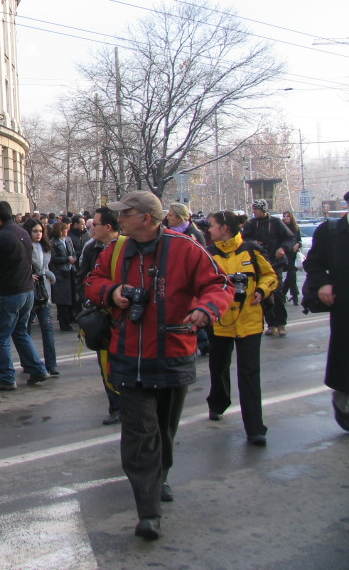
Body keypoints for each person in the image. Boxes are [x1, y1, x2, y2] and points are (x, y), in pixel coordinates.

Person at [85, 191, 233, 541]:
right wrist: (113, 292)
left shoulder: (186, 249)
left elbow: (219, 284)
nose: (118, 219)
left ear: (147, 219)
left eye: (126, 214)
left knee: (164, 429)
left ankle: (160, 474)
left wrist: (206, 310)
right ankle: (148, 510)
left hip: (172, 353)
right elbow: (92, 282)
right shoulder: (115, 251)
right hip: (127, 355)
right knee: (139, 433)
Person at [205, 210, 278, 446]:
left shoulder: (251, 250)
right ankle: (218, 403)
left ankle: (255, 427)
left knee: (249, 373)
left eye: (212, 226)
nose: (209, 230)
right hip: (220, 321)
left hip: (250, 320)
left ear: (224, 228)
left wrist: (261, 290)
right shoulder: (210, 254)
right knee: (218, 367)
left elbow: (270, 275)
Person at [0, 201, 49, 391]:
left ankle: (6, 376)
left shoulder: (0, 237)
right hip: (27, 290)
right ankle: (37, 368)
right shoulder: (22, 232)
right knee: (20, 332)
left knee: (1, 337)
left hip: (10, 291)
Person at [302, 191, 349, 431]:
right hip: (344, 310)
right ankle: (344, 403)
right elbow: (313, 263)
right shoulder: (331, 233)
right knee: (345, 362)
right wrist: (322, 283)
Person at [76, 206, 124, 425]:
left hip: (123, 317)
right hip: (100, 316)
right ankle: (115, 406)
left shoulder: (126, 247)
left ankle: (128, 404)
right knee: (105, 363)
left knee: (122, 363)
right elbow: (83, 277)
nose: (91, 227)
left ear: (109, 227)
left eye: (95, 224)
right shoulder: (91, 248)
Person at [241, 199, 296, 336]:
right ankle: (270, 323)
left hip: (275, 262)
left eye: (256, 209)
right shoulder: (251, 224)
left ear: (264, 210)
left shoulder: (276, 223)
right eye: (253, 209)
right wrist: (252, 243)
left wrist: (282, 248)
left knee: (277, 292)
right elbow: (243, 239)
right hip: (259, 263)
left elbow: (290, 238)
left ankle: (281, 323)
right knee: (263, 294)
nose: (254, 212)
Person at [25, 219, 58, 378]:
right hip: (30, 292)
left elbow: (46, 267)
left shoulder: (46, 247)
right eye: (35, 231)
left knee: (47, 329)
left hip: (44, 292)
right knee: (26, 329)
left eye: (40, 231)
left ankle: (51, 364)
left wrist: (49, 276)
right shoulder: (25, 247)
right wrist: (30, 275)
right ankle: (29, 362)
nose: (38, 234)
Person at [47, 221, 77, 331]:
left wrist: (73, 258)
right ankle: (64, 323)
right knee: (62, 301)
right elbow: (53, 259)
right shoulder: (53, 243)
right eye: (65, 229)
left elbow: (72, 252)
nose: (67, 231)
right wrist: (66, 259)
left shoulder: (68, 240)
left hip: (70, 271)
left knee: (71, 298)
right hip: (60, 273)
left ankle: (70, 319)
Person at [281, 210, 303, 306]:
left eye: (288, 216)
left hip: (293, 254)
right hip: (284, 254)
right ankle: (293, 295)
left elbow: (299, 240)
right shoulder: (281, 227)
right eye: (284, 216)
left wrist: (297, 245)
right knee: (291, 275)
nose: (286, 218)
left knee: (291, 275)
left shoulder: (295, 228)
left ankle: (288, 294)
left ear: (291, 217)